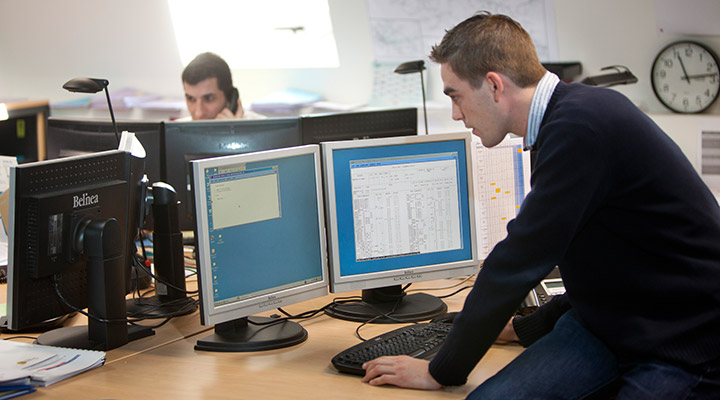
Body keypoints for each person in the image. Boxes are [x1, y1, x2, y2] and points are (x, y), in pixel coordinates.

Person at [361, 12, 720, 399]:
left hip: (684, 341)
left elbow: (517, 260)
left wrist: (441, 369)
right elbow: (597, 259)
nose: (456, 113)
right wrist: (524, 328)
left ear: (494, 85)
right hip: (611, 323)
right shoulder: (564, 118)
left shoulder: (580, 128)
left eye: (455, 95)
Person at [181, 52, 262, 120]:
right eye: (191, 99)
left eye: (209, 98)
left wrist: (233, 131)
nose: (199, 114)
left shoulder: (263, 131)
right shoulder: (176, 130)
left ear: (229, 98)